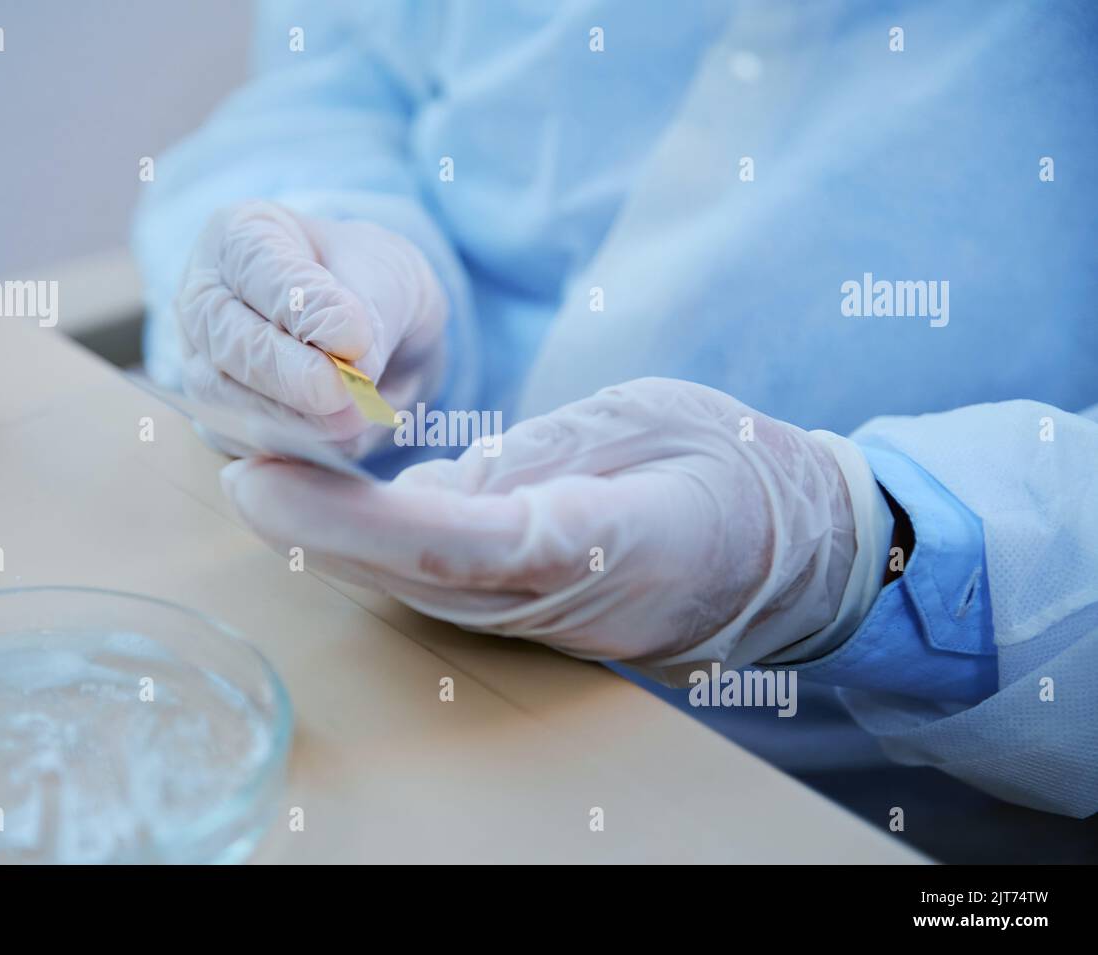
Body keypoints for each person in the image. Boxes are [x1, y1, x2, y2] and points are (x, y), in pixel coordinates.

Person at [132, 0, 1098, 821]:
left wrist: (851, 551)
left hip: (816, 788)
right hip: (342, 620)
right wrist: (345, 246)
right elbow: (334, 87)